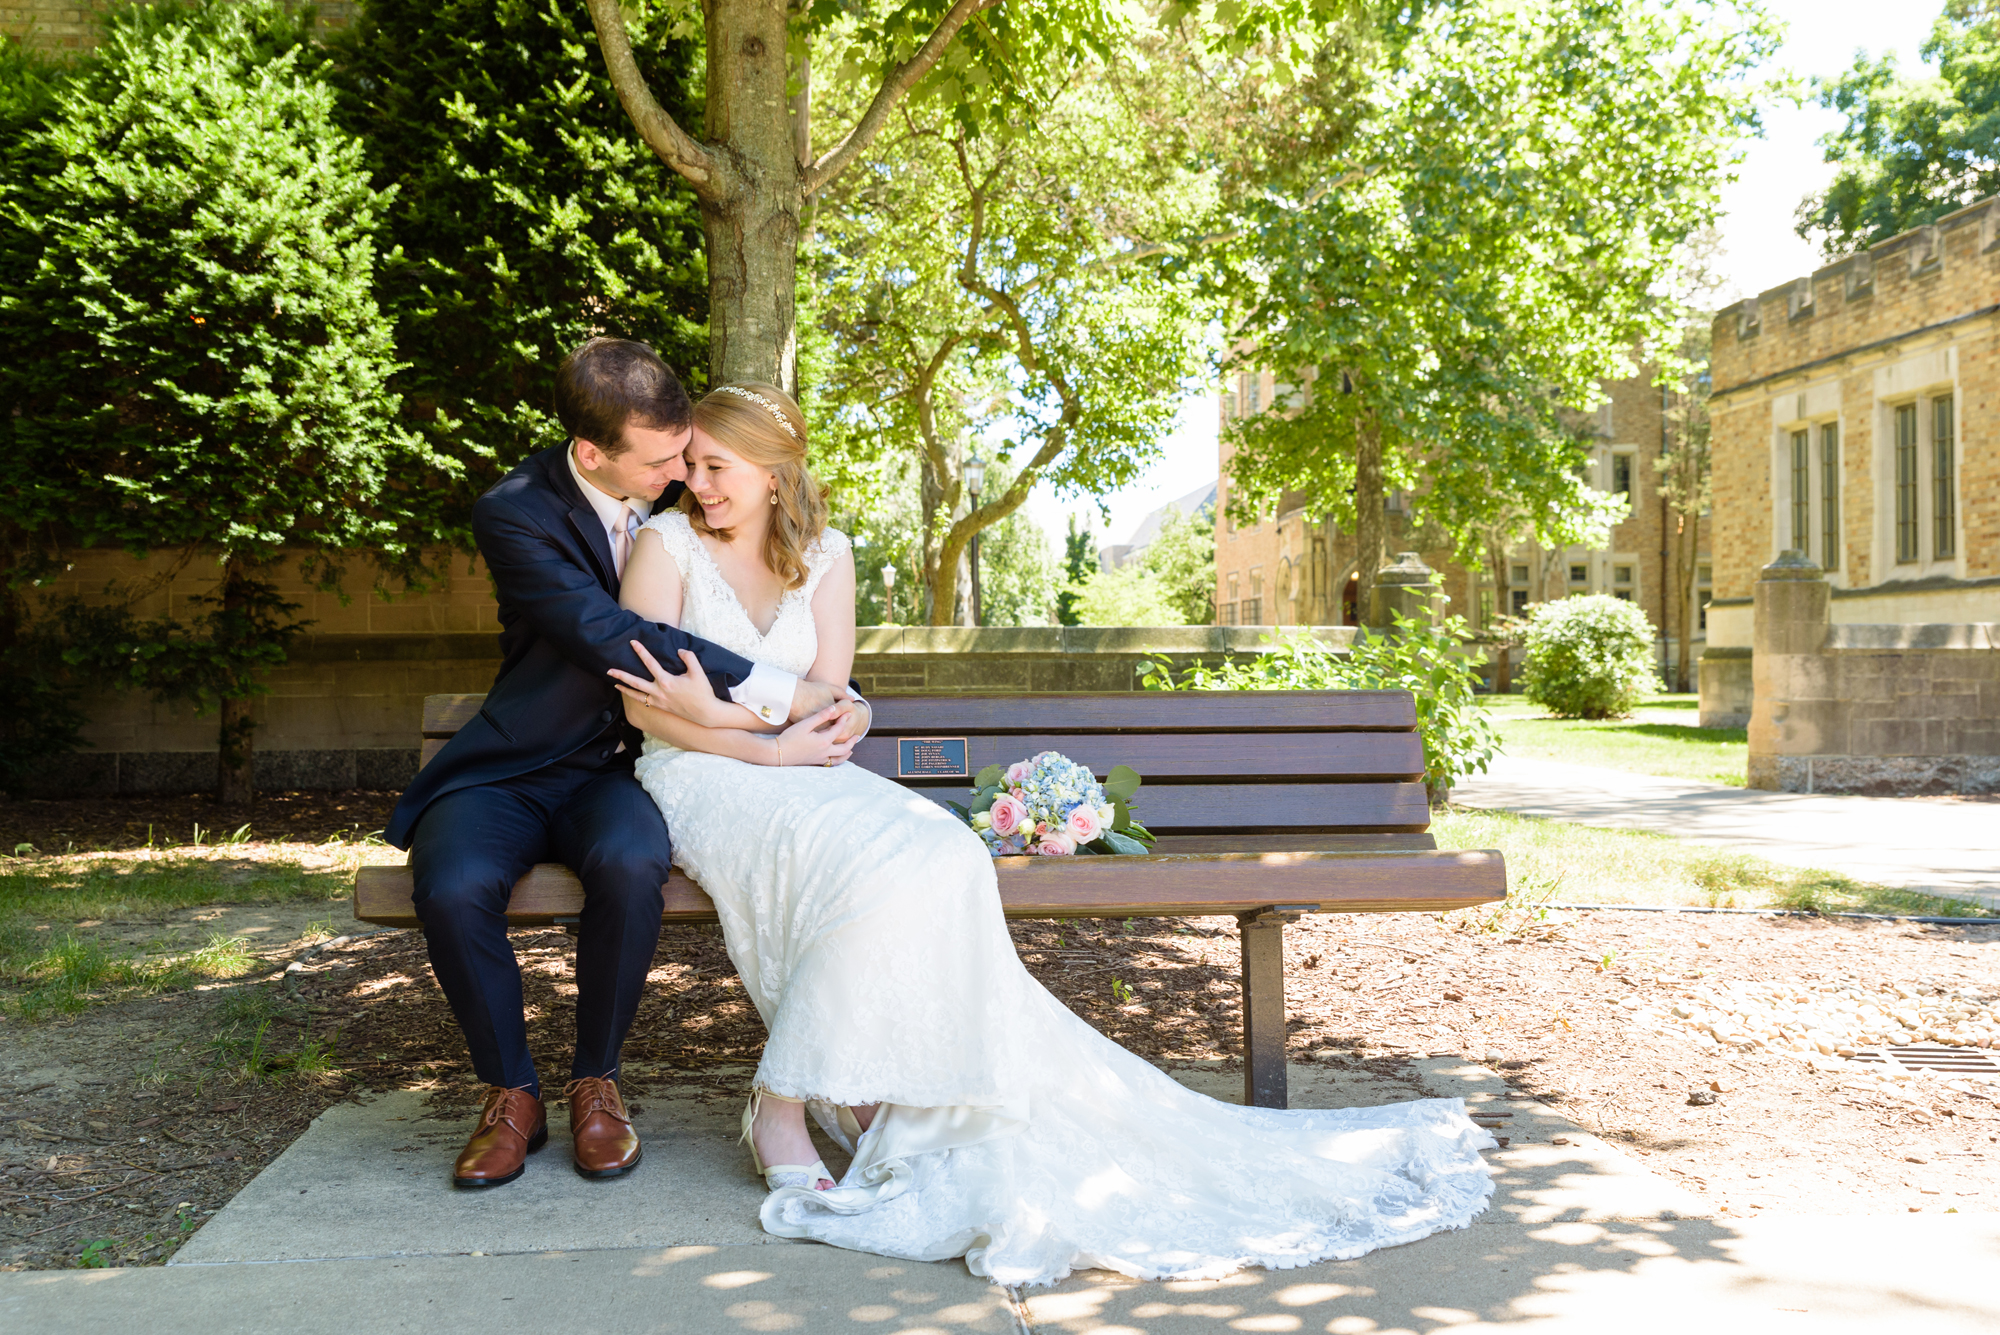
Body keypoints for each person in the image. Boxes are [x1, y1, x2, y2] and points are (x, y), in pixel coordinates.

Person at [609, 381, 1496, 1288]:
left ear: (772, 469)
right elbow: (652, 714)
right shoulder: (663, 547)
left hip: (809, 770)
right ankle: (786, 1106)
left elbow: (833, 709)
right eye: (692, 466)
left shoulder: (825, 554)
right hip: (707, 782)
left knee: (943, 850)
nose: (696, 483)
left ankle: (849, 1084)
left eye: (716, 467)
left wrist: (780, 735)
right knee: (874, 858)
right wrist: (772, 750)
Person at [385, 339, 865, 1190]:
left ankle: (597, 1082)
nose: (685, 473)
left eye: (690, 451)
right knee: (452, 884)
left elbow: (781, 604)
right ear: (591, 454)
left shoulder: (687, 507)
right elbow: (618, 639)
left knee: (632, 861)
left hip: (622, 766)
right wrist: (785, 701)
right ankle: (512, 1093)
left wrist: (836, 695)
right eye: (665, 459)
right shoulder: (518, 512)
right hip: (519, 762)